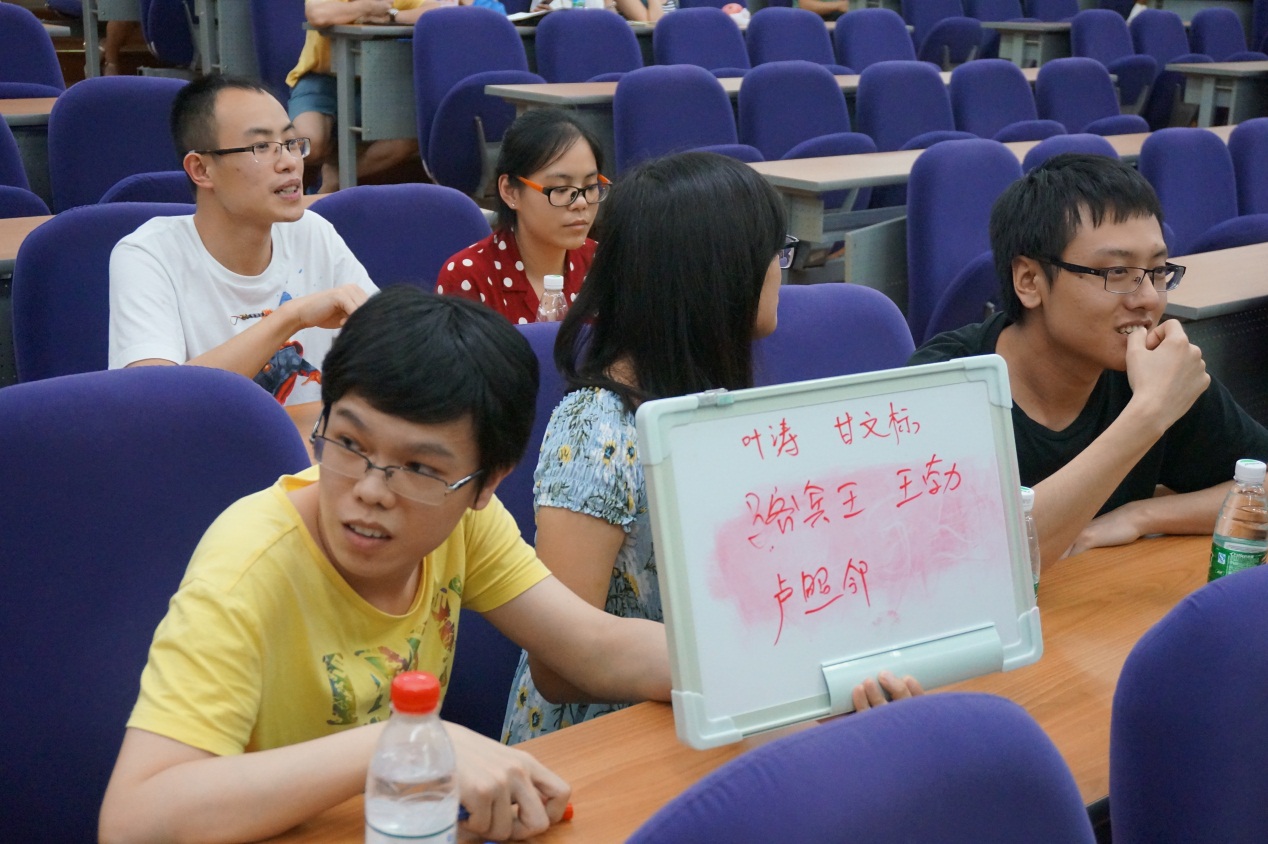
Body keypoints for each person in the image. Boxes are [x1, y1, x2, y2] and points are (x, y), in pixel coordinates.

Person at [98, 287, 673, 844]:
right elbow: (133, 819)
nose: (371, 491)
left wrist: (719, 662)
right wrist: (389, 745)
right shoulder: (250, 564)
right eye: (349, 444)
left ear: (485, 484)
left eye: (419, 469)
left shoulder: (462, 518)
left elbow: (594, 646)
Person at [501, 151, 923, 744]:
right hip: (612, 736)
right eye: (774, 253)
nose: (781, 271)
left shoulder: (719, 400)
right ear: (719, 275)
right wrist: (769, 670)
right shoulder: (597, 428)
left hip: (720, 706)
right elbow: (559, 668)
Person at [909, 153, 1268, 563]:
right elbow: (970, 561)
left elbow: (1259, 487)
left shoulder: (1151, 367)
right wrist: (1148, 415)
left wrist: (1141, 515)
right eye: (1116, 273)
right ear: (1030, 281)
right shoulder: (944, 386)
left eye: (1156, 271)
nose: (1148, 298)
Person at [108, 75, 377, 406]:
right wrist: (292, 317)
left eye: (291, 142)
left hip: (311, 439)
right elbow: (155, 402)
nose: (289, 162)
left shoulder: (312, 232)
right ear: (201, 169)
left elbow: (387, 347)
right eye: (261, 147)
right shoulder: (148, 256)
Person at [435, 108, 606, 325]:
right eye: (561, 189)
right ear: (510, 191)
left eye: (590, 187)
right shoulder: (468, 277)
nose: (581, 203)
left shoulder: (604, 263)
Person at [286, 0, 443, 193]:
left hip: (378, 82)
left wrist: (391, 16)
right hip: (321, 79)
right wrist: (366, 8)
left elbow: (436, 11)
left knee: (411, 135)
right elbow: (318, 14)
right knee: (309, 144)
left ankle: (337, 176)